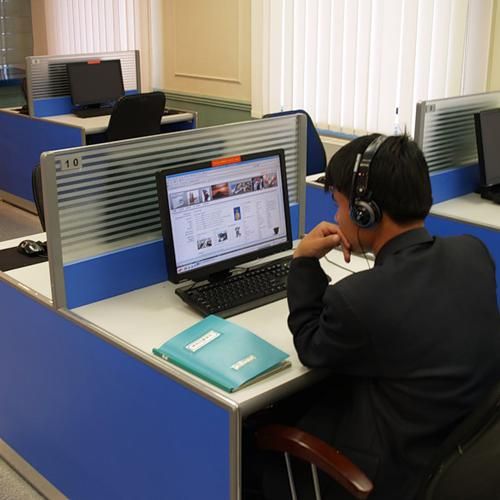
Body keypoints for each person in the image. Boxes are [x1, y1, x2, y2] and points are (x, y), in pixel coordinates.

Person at [248, 133, 500, 500]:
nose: (337, 216)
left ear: (364, 211)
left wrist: (302, 262)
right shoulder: (473, 254)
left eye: (339, 204)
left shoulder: (360, 299)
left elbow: (310, 346)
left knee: (253, 442)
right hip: (456, 450)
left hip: (393, 477)